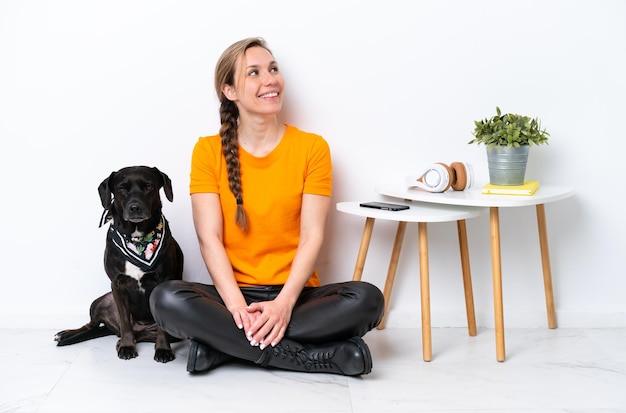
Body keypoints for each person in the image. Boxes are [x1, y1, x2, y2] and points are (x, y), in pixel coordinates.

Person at [149, 37, 384, 376]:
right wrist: (237, 308)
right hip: (230, 297)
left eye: (273, 69)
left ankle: (223, 348)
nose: (270, 79)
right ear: (230, 91)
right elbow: (209, 239)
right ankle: (319, 358)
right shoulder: (207, 151)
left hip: (297, 295)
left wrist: (284, 304)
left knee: (368, 300)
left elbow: (312, 236)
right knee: (165, 299)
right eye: (254, 73)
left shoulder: (312, 148)